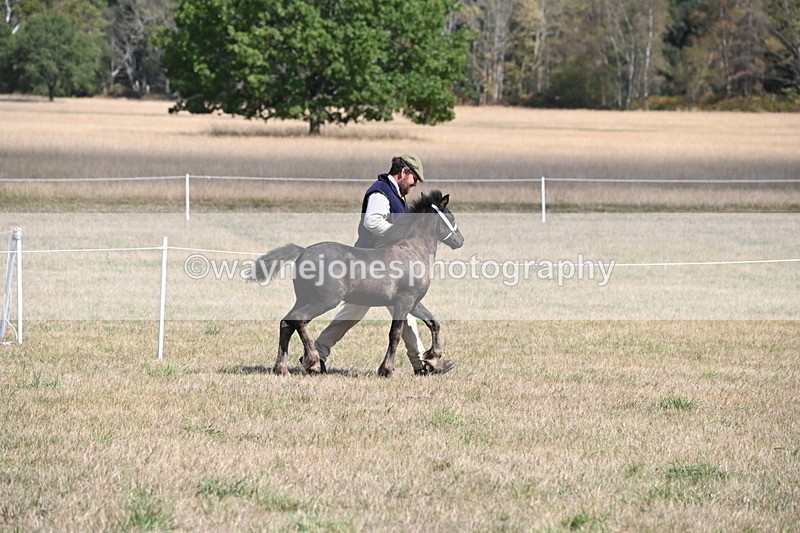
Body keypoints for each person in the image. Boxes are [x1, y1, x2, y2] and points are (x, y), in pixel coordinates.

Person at [312, 154, 457, 376]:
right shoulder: (381, 192)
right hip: (373, 265)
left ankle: (317, 354)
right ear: (403, 173)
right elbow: (372, 221)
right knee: (397, 314)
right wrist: (399, 236)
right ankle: (423, 365)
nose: (415, 183)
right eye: (414, 178)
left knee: (363, 313)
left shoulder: (397, 194)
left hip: (386, 265)